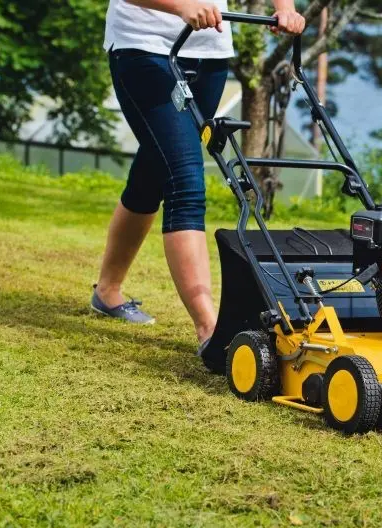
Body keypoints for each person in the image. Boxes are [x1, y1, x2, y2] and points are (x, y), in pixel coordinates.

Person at [91, 0, 305, 352]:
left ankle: (107, 291)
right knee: (184, 180)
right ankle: (211, 330)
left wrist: (285, 8)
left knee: (152, 173)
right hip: (145, 48)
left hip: (209, 53)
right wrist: (179, 6)